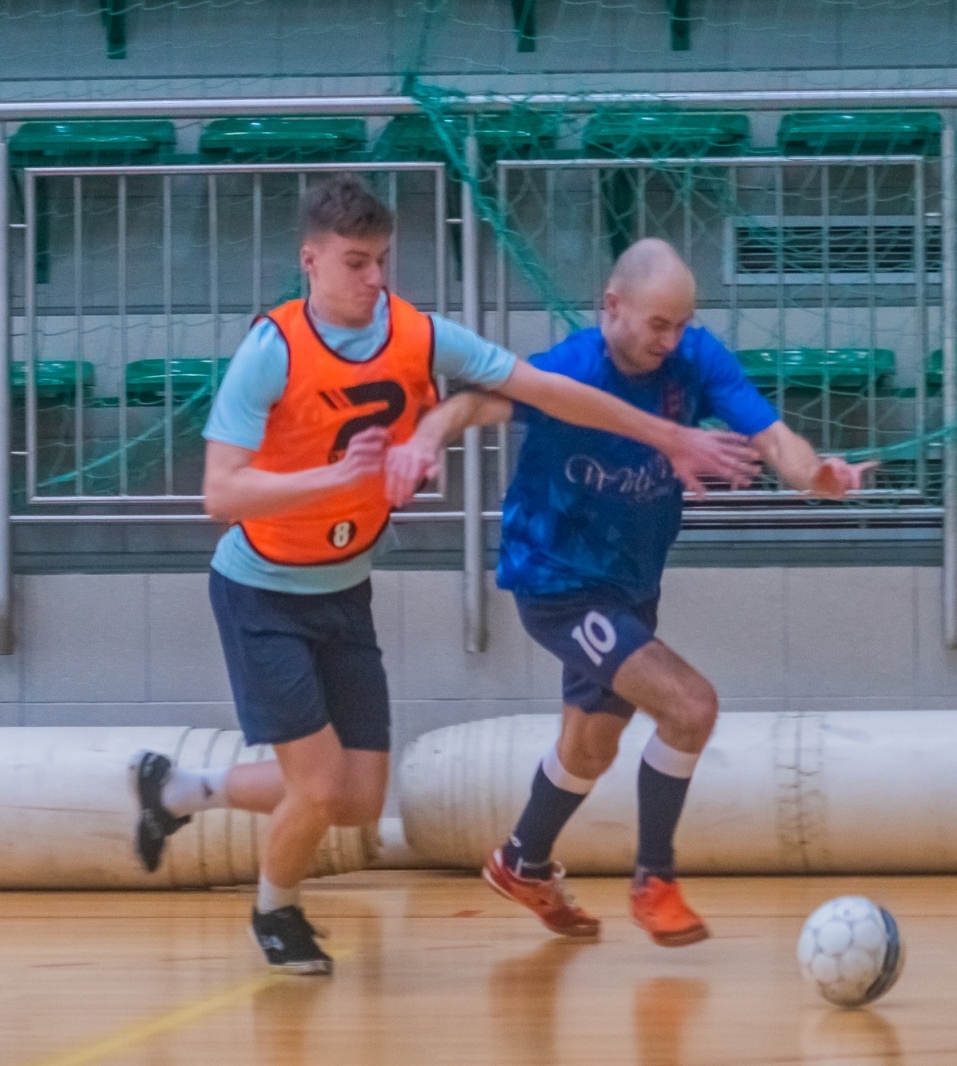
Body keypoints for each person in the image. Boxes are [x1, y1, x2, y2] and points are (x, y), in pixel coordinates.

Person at [128, 179, 759, 976]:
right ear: (310, 261)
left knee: (356, 801)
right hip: (261, 587)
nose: (373, 279)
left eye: (382, 261)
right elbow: (221, 494)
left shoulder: (417, 334)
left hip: (342, 588)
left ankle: (181, 791)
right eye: (355, 263)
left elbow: (549, 389)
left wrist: (666, 434)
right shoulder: (273, 350)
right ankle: (276, 913)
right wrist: (334, 479)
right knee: (319, 789)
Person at [406, 238, 875, 947]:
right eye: (658, 324)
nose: (672, 339)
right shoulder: (571, 369)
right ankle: (654, 878)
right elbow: (478, 402)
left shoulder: (695, 361)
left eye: (682, 323)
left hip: (630, 585)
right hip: (557, 581)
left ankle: (520, 862)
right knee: (690, 706)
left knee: (589, 748)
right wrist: (428, 434)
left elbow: (772, 436)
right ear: (612, 307)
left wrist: (816, 477)